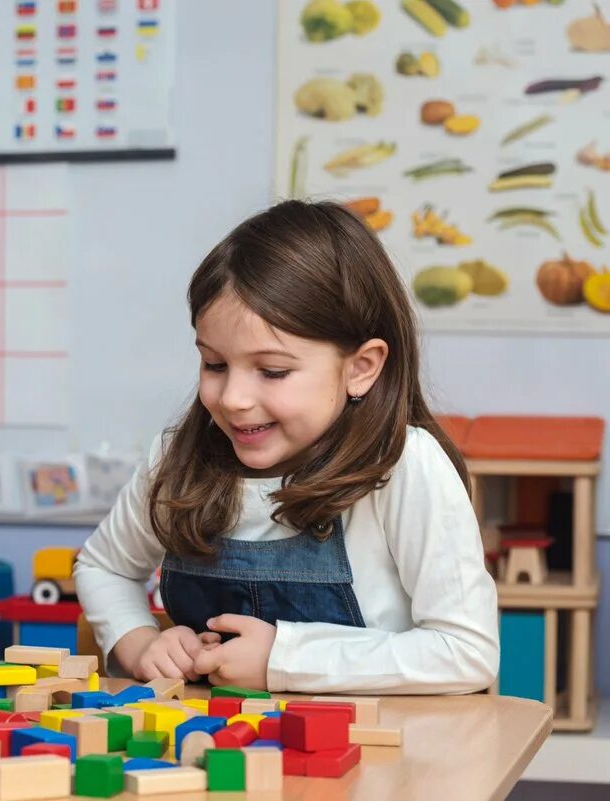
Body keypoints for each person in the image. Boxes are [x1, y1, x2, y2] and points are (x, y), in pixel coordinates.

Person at [74, 200, 499, 694]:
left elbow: (466, 652)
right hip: (212, 753)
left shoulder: (405, 466)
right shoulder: (178, 460)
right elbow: (104, 565)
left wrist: (285, 660)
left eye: (272, 371)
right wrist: (140, 640)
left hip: (377, 758)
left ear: (361, 368)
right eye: (214, 364)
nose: (233, 398)